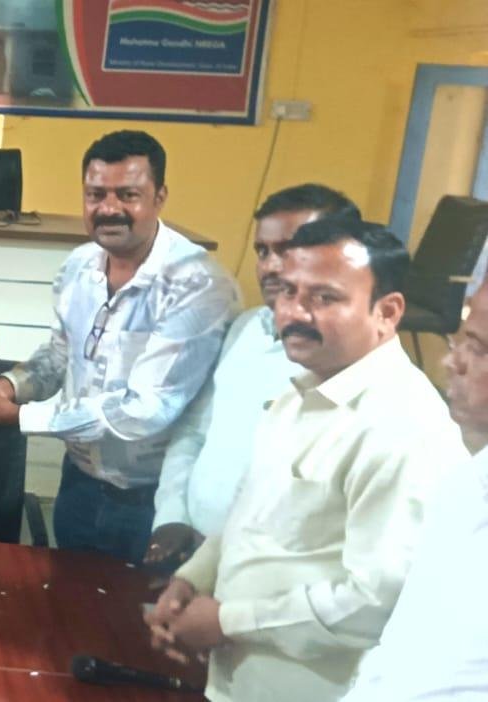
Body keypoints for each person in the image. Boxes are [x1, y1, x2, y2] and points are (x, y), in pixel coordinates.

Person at [147, 218, 466, 702]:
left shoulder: (403, 428)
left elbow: (375, 602)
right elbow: (249, 514)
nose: (294, 312)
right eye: (288, 291)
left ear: (387, 312)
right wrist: (191, 580)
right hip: (240, 681)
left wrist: (229, 621)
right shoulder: (299, 393)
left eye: (324, 298)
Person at [0, 130, 237, 562]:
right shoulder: (79, 265)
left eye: (128, 195)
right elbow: (60, 355)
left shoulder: (197, 285)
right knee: (72, 596)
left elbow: (146, 411)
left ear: (159, 197)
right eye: (96, 194)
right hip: (80, 484)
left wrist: (19, 416)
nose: (109, 208)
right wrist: (9, 385)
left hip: (157, 502)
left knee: (141, 605)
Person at [145, 184, 361, 569]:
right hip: (188, 553)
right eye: (263, 251)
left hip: (265, 575)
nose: (271, 266)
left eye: (290, 250)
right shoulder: (245, 329)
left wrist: (221, 561)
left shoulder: (345, 365)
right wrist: (172, 518)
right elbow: (192, 433)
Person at [340, 285, 488, 699]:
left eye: (479, 349)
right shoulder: (466, 480)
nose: (451, 360)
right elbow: (403, 650)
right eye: (462, 338)